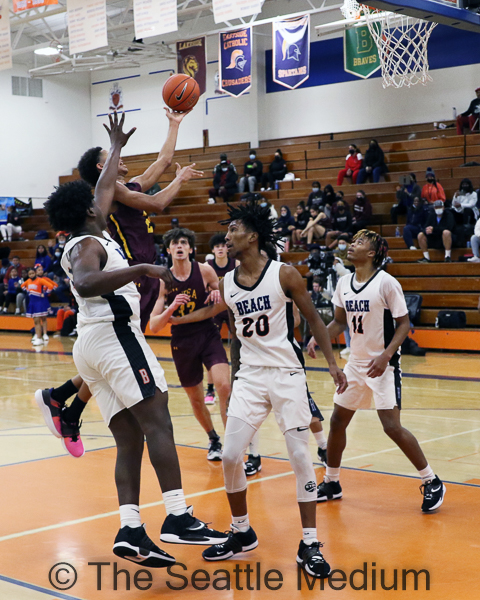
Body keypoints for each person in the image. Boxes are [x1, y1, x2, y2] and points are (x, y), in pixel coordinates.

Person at [42, 112, 227, 568]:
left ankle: (130, 529)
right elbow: (86, 283)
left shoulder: (92, 226)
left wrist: (117, 146)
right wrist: (145, 269)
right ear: (85, 211)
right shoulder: (87, 246)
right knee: (157, 421)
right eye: (92, 200)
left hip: (91, 346)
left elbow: (104, 186)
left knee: (128, 439)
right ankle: (178, 517)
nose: (99, 198)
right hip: (114, 336)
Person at [169, 198, 347, 576]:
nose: (226, 237)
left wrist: (332, 363)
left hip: (286, 374)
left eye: (233, 230)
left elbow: (314, 319)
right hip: (250, 376)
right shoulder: (228, 284)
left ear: (252, 236)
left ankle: (310, 543)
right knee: (232, 456)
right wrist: (232, 372)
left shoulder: (285, 274)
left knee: (300, 458)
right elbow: (231, 331)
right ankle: (241, 532)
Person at [36, 108, 201, 457]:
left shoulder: (126, 186)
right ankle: (65, 402)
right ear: (103, 167)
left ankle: (64, 400)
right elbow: (158, 203)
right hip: (130, 280)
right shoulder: (115, 193)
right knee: (123, 353)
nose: (121, 160)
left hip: (141, 278)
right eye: (113, 157)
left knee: (119, 355)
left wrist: (173, 124)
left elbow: (164, 159)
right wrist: (181, 180)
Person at [308, 229, 446, 513]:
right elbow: (338, 322)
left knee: (391, 426)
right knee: (337, 422)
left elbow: (404, 324)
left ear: (372, 253)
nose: (351, 245)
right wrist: (318, 337)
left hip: (384, 365)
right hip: (355, 365)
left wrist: (386, 355)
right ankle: (332, 482)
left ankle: (432, 481)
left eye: (358, 242)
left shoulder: (386, 282)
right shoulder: (344, 282)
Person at [149, 227, 231, 460]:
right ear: (168, 250)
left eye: (183, 242)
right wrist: (172, 307)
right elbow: (155, 325)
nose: (179, 246)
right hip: (182, 341)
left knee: (224, 385)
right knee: (195, 398)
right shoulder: (165, 280)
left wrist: (216, 293)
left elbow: (223, 301)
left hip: (207, 332)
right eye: (174, 243)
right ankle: (214, 439)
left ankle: (233, 442)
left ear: (191, 248)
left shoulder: (205, 271)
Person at [204, 233, 238, 405]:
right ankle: (210, 389)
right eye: (217, 246)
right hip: (215, 309)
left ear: (227, 248)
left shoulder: (235, 264)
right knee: (212, 350)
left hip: (232, 308)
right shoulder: (207, 266)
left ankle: (239, 387)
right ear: (213, 250)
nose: (220, 249)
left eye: (223, 246)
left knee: (240, 347)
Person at [21, 266, 57, 345]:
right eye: (29, 274)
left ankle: (40, 337)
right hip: (32, 303)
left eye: (32, 273)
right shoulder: (28, 281)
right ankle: (38, 337)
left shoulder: (40, 280)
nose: (31, 275)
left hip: (39, 303)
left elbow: (51, 286)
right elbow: (22, 286)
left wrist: (45, 293)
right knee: (36, 321)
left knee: (38, 320)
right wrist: (28, 292)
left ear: (35, 273)